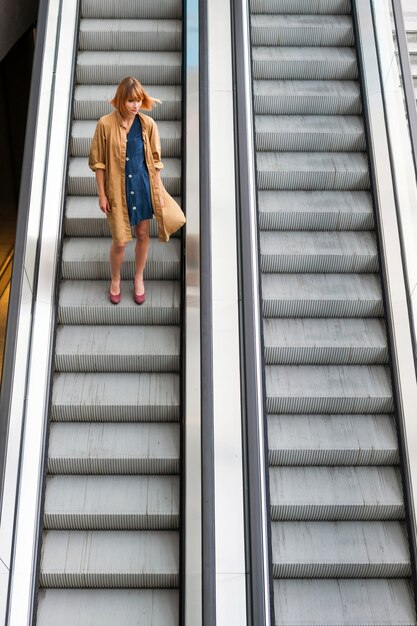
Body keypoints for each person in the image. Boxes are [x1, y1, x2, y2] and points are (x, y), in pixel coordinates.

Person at [89, 76, 165, 305]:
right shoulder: (105, 124)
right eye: (131, 100)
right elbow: (99, 163)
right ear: (121, 99)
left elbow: (155, 161)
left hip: (142, 187)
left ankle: (138, 277)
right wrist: (102, 194)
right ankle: (115, 279)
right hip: (117, 190)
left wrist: (158, 193)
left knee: (143, 234)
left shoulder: (148, 124)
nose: (135, 105)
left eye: (139, 100)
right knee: (121, 241)